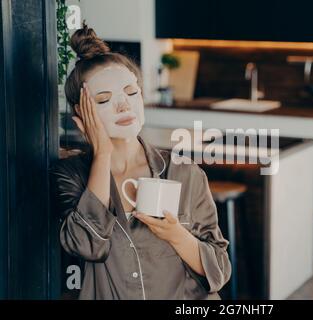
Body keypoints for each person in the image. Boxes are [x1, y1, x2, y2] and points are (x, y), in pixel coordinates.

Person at [50, 23, 231, 300]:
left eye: (131, 93)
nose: (123, 105)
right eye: (104, 99)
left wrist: (175, 235)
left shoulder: (185, 172)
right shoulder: (70, 176)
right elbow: (87, 245)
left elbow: (219, 269)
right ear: (81, 114)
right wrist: (103, 154)